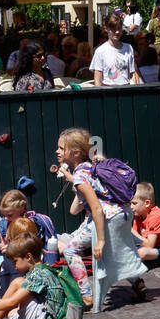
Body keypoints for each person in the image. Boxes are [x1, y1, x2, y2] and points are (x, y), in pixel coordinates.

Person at [53, 128, 113, 305]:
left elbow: (95, 208)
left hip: (99, 220)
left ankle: (86, 296)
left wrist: (100, 239)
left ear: (76, 153)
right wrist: (73, 182)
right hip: (113, 216)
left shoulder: (80, 175)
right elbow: (74, 210)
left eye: (61, 148)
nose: (57, 151)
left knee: (70, 250)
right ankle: (137, 283)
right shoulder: (88, 169)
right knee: (112, 253)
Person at [0, 233, 78, 319]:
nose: (13, 266)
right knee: (11, 310)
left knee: (18, 284)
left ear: (28, 257)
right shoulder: (44, 268)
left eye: (15, 261)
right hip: (53, 318)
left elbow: (12, 302)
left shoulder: (37, 275)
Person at [130, 182, 160, 267]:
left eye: (134, 203)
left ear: (147, 203)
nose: (131, 207)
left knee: (142, 252)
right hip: (153, 248)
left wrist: (130, 230)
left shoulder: (155, 217)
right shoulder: (138, 216)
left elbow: (149, 245)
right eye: (130, 203)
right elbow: (134, 241)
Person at [91, 15, 142, 87]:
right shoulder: (100, 51)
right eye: (113, 29)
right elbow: (98, 80)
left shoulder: (128, 48)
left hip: (126, 91)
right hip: (108, 92)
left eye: (119, 28)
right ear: (106, 29)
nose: (117, 32)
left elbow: (133, 74)